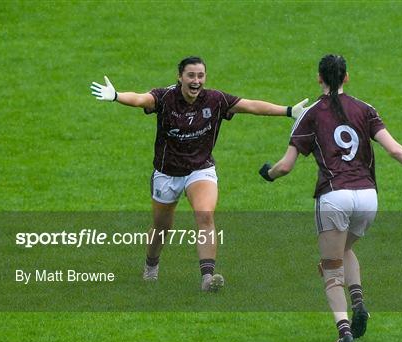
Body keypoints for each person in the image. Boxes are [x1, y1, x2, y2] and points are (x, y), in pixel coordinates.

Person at [258, 54, 402, 342]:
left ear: (319, 78)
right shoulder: (365, 110)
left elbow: (285, 166)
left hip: (334, 197)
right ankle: (359, 303)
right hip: (368, 198)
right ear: (346, 77)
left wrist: (267, 174)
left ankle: (344, 332)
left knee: (330, 269)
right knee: (345, 248)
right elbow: (394, 149)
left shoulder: (311, 115)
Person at [90, 56, 308, 292]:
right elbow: (140, 99)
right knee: (161, 227)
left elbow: (251, 106)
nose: (196, 81)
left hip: (200, 169)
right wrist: (116, 96)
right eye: (191, 75)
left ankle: (207, 278)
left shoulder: (215, 100)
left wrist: (289, 111)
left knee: (205, 216)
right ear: (180, 77)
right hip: (167, 173)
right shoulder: (164, 97)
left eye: (200, 76)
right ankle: (151, 266)